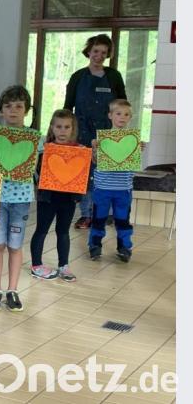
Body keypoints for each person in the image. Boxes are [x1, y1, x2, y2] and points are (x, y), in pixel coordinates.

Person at [63, 34, 127, 230]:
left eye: (104, 52)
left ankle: (103, 214)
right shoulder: (77, 77)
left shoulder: (114, 76)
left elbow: (123, 105)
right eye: (96, 51)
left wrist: (122, 132)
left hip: (108, 134)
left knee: (106, 175)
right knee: (85, 177)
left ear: (108, 55)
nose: (99, 56)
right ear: (89, 51)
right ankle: (85, 215)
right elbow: (67, 108)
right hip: (82, 133)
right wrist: (65, 134)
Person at [0, 85, 38, 313]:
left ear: (27, 110)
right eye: (8, 106)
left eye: (19, 106)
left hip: (21, 198)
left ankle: (13, 290)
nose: (13, 111)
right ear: (1, 111)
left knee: (15, 245)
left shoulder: (34, 138)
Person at [29, 110, 83, 282]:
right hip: (48, 198)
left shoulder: (79, 151)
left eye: (67, 127)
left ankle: (63, 266)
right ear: (52, 128)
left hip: (68, 199)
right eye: (58, 126)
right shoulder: (45, 150)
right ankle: (36, 265)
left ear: (72, 129)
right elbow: (36, 172)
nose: (62, 131)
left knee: (63, 232)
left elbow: (82, 173)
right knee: (41, 230)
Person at [89, 100, 140, 263]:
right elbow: (95, 162)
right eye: (118, 113)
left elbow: (133, 163)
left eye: (126, 115)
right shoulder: (102, 139)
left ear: (130, 118)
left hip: (123, 188)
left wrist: (139, 149)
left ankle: (124, 247)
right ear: (110, 115)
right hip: (103, 188)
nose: (122, 118)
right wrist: (95, 150)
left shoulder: (133, 140)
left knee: (122, 219)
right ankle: (95, 245)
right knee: (99, 218)